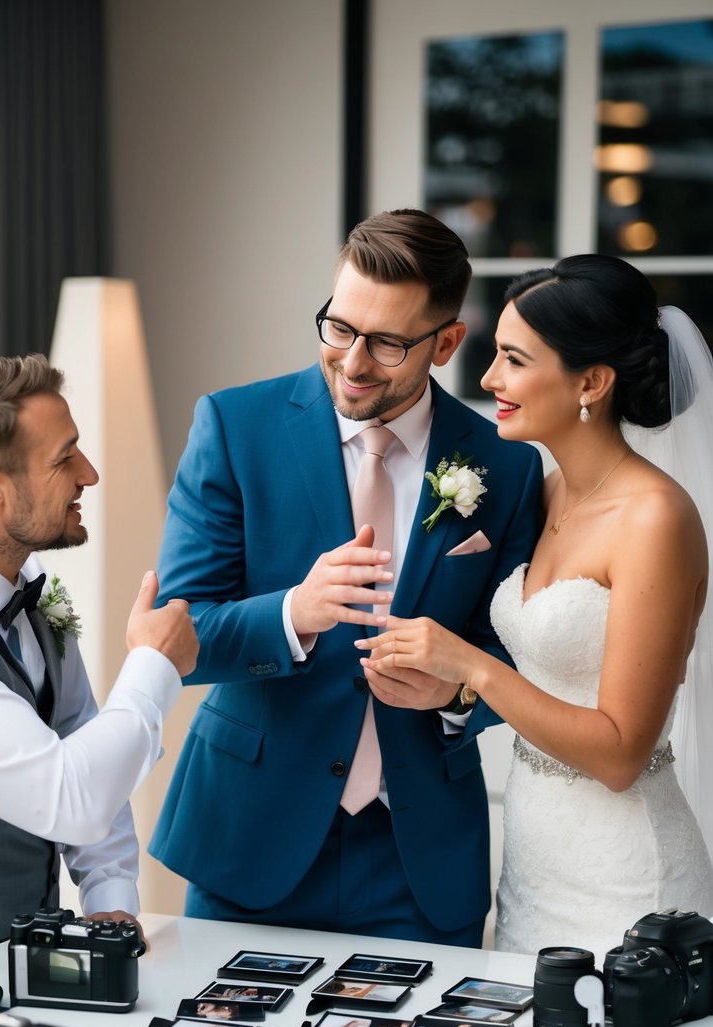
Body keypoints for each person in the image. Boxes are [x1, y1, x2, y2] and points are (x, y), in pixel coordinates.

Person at [149, 208, 543, 946]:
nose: (353, 361)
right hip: (251, 844)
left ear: (447, 342)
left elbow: (518, 646)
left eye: (388, 343)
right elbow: (179, 628)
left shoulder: (508, 463)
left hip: (419, 859)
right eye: (338, 326)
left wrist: (458, 692)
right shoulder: (235, 427)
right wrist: (293, 612)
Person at [358, 255, 713, 958]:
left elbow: (619, 753)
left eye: (513, 360)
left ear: (590, 382)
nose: (489, 380)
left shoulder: (654, 519)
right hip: (531, 867)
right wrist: (449, 685)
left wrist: (474, 669)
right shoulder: (539, 491)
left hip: (625, 880)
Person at [0, 354, 198, 953]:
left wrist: (111, 898)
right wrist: (153, 665)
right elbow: (69, 795)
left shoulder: (35, 589)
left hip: (27, 971)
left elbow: (81, 736)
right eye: (64, 458)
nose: (90, 474)